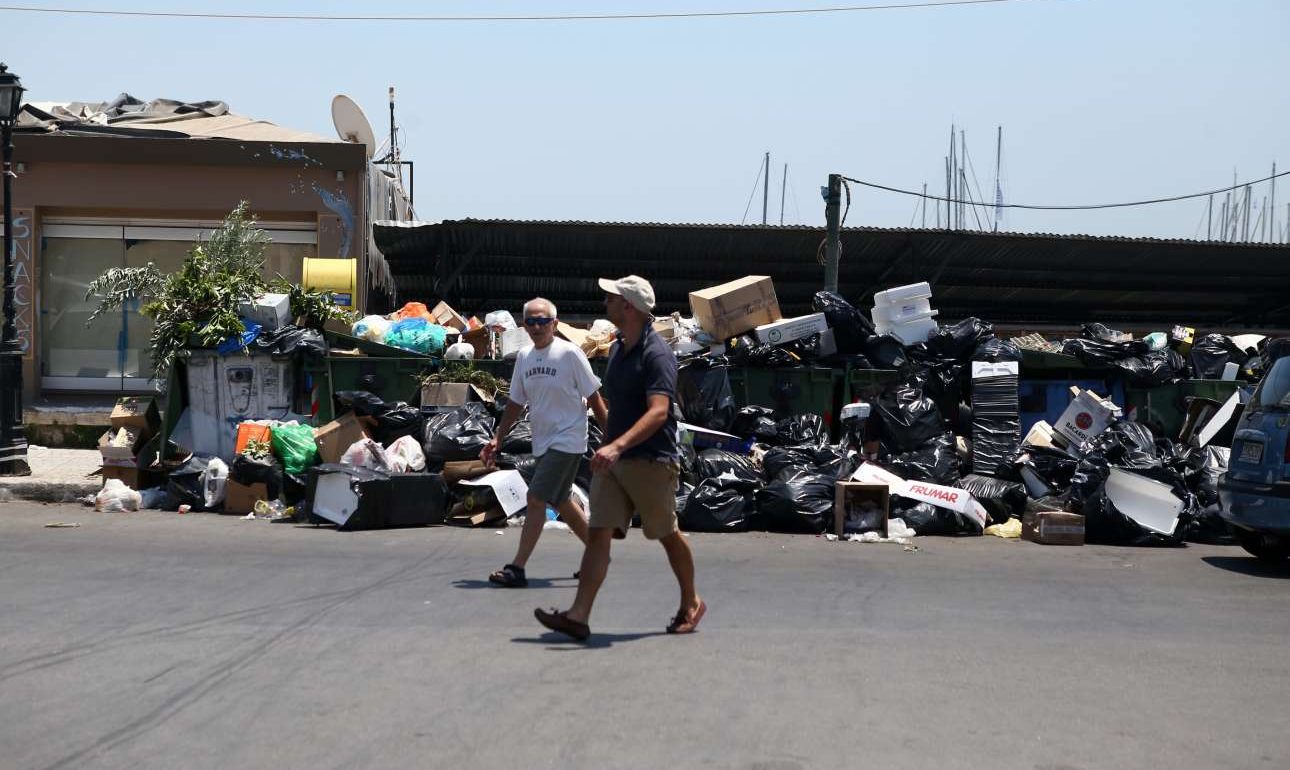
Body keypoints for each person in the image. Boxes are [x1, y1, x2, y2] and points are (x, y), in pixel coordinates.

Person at [535, 275, 705, 641]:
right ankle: (578, 616)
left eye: (612, 299)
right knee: (598, 534)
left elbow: (659, 411)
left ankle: (691, 602)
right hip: (613, 462)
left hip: (651, 461)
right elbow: (614, 405)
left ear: (628, 306)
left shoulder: (656, 354)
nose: (606, 304)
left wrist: (617, 445)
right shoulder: (616, 349)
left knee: (667, 535)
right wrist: (607, 444)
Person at [481, 298, 608, 587]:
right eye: (531, 321)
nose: (537, 327)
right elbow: (515, 402)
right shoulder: (525, 357)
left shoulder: (570, 354)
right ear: (524, 325)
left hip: (569, 439)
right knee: (561, 500)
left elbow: (594, 398)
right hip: (543, 441)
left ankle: (517, 568)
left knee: (536, 498)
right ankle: (598, 554)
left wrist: (611, 441)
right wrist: (498, 437)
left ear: (555, 323)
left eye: (543, 321)